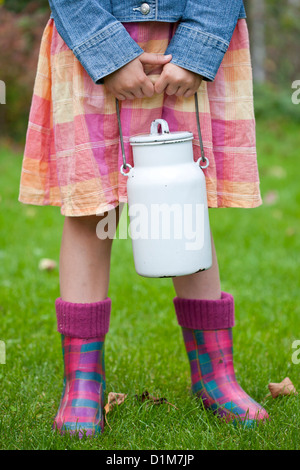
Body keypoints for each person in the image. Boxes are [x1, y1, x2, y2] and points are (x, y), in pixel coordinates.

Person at [18, 0, 269, 437]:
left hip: (188, 44)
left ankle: (216, 377)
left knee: (183, 198)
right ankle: (82, 383)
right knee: (90, 206)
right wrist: (108, 54)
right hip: (89, 44)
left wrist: (196, 51)